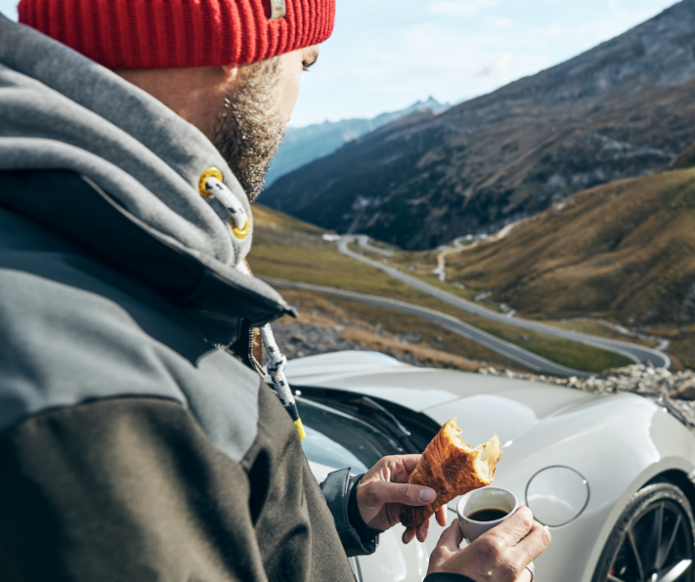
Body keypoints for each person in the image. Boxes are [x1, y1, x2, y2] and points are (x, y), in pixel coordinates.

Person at [0, 2, 549, 581]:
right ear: (235, 43)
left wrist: (340, 510)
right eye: (304, 63)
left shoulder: (74, 249)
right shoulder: (116, 403)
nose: (295, 101)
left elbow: (206, 534)